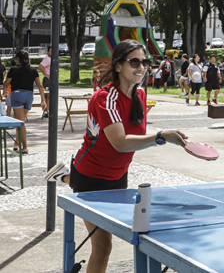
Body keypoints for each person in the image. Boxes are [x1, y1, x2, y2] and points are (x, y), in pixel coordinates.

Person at [43, 39, 188, 273]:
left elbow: (130, 139)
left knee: (139, 238)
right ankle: (68, 177)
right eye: (135, 62)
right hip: (91, 173)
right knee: (103, 247)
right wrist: (161, 136)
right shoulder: (104, 98)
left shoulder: (139, 95)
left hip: (118, 176)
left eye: (145, 62)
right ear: (119, 66)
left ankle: (64, 176)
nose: (141, 67)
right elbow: (120, 143)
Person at [3, 50, 46, 154]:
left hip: (17, 95)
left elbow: (6, 83)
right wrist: (43, 100)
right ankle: (16, 144)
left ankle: (25, 147)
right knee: (21, 121)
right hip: (29, 96)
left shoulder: (13, 69)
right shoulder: (33, 70)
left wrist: (4, 92)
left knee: (21, 123)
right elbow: (40, 85)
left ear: (18, 59)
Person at [38, 46, 52, 118]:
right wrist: (46, 74)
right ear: (48, 51)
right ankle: (46, 111)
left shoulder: (52, 59)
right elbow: (40, 66)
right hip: (47, 80)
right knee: (47, 96)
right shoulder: (47, 59)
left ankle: (48, 111)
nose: (51, 53)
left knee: (50, 96)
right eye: (50, 51)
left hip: (51, 80)